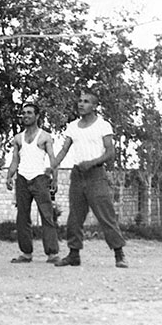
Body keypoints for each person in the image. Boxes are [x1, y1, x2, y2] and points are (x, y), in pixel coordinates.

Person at [50, 90, 127, 268]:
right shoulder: (72, 126)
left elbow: (110, 152)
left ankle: (119, 254)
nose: (81, 104)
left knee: (105, 215)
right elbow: (64, 149)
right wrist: (52, 165)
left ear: (94, 106)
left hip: (96, 174)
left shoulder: (103, 125)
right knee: (75, 217)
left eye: (86, 101)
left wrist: (92, 163)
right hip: (77, 174)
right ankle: (73, 254)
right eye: (80, 101)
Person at [6, 102, 60, 264]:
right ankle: (26, 253)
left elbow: (52, 159)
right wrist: (9, 176)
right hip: (22, 178)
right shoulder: (18, 138)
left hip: (40, 178)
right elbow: (15, 160)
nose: (26, 116)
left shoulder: (45, 137)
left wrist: (55, 179)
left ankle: (52, 253)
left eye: (29, 113)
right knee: (22, 217)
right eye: (24, 113)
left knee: (47, 215)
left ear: (37, 116)